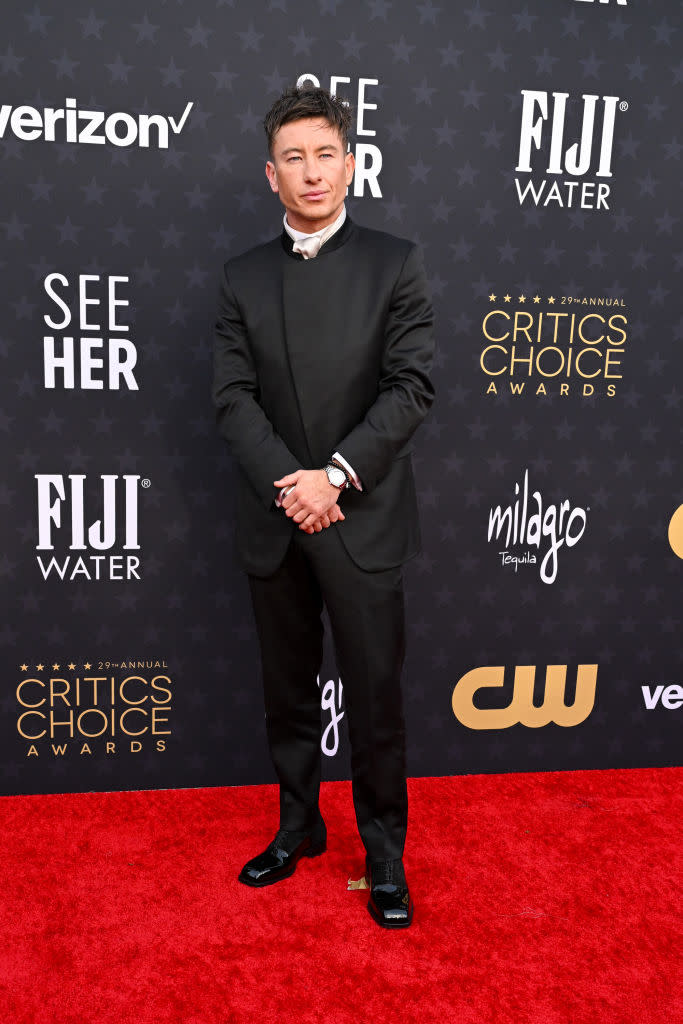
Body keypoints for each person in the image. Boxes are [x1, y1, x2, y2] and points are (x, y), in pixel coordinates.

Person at [212, 84, 434, 928]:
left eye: (326, 154)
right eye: (293, 158)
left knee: (376, 696)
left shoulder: (395, 262)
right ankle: (297, 829)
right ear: (271, 175)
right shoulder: (241, 278)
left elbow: (411, 388)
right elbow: (231, 399)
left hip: (361, 516)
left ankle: (383, 855)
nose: (312, 172)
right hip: (276, 518)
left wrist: (332, 478)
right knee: (287, 692)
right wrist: (291, 486)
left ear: (352, 162)